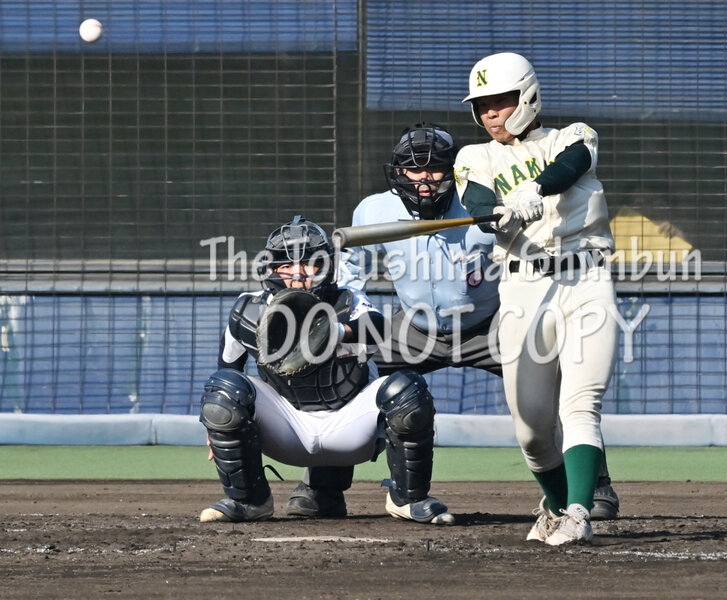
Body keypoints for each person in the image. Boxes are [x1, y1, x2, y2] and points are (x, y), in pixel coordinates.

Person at [290, 122, 620, 523]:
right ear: (397, 171)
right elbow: (350, 274)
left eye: (433, 168)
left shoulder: (484, 200)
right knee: (346, 372)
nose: (424, 178)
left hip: (490, 323)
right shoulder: (373, 211)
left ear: (453, 170)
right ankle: (322, 488)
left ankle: (595, 486)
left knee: (557, 387)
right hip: (413, 329)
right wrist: (354, 323)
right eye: (414, 168)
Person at [454, 52, 619, 545]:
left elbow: (573, 164)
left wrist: (534, 189)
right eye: (482, 105)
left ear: (527, 97)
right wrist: (496, 214)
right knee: (531, 430)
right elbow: (477, 201)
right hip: (522, 289)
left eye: (501, 101)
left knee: (580, 405)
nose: (490, 113)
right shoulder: (474, 156)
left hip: (585, 281)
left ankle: (579, 513)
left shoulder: (572, 136)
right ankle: (555, 506)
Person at [198, 215, 454, 526]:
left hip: (349, 427)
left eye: (309, 264)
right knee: (223, 391)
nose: (297, 274)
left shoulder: (347, 300)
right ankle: (248, 501)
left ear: (327, 267)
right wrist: (218, 426)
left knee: (407, 390)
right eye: (286, 264)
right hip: (288, 429)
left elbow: (377, 327)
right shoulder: (248, 310)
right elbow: (228, 370)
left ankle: (408, 499)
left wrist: (336, 330)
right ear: (271, 269)